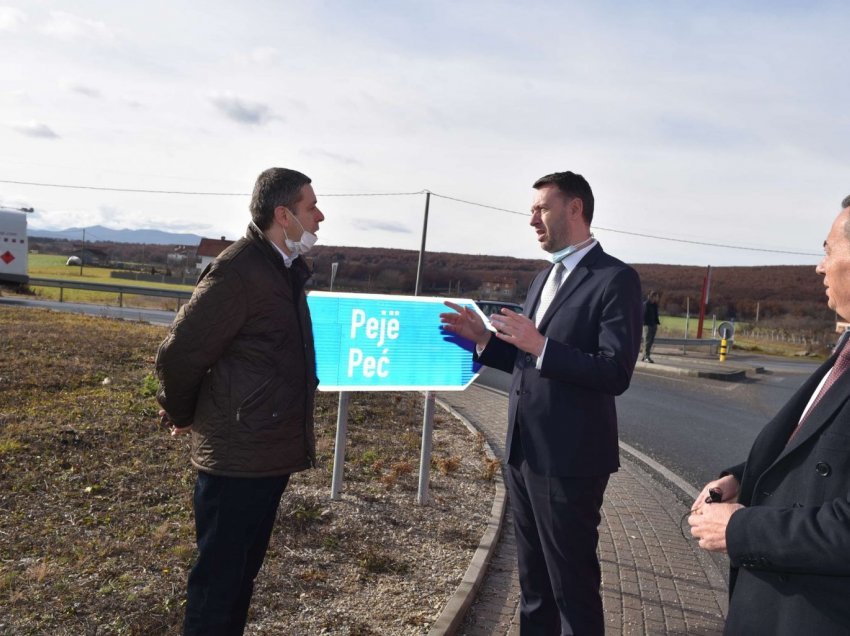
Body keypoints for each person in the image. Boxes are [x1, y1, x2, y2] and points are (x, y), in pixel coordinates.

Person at [441, 171, 642, 634]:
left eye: (541, 208)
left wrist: (542, 345)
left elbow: (615, 372)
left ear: (575, 209)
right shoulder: (543, 278)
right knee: (533, 587)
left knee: (571, 588)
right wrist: (484, 343)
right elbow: (529, 362)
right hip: (522, 455)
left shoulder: (615, 279)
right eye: (532, 210)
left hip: (570, 462)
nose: (532, 218)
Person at [155, 167, 324, 636]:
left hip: (266, 453)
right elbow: (179, 352)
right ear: (283, 214)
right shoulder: (240, 269)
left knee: (240, 578)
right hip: (235, 458)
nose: (320, 216)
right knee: (218, 583)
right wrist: (184, 414)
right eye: (311, 207)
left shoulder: (283, 270)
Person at [689, 196, 850, 635]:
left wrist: (742, 530)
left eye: (828, 250)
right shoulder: (845, 348)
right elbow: (817, 444)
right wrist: (741, 476)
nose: (819, 267)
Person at [642, 290, 660, 362]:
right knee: (647, 341)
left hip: (653, 325)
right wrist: (644, 323)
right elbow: (643, 315)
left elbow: (655, 315)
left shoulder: (655, 305)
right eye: (657, 297)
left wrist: (656, 323)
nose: (658, 298)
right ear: (653, 297)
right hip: (647, 325)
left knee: (650, 341)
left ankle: (645, 356)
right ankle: (646, 356)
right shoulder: (646, 304)